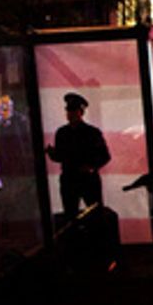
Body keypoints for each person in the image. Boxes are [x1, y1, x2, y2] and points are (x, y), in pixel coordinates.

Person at [45, 92, 111, 224]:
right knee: (70, 217)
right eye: (69, 111)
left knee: (96, 217)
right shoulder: (62, 133)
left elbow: (105, 156)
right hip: (69, 179)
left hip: (88, 180)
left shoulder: (92, 133)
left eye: (73, 111)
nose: (70, 114)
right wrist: (52, 153)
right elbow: (61, 157)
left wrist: (91, 167)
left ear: (81, 112)